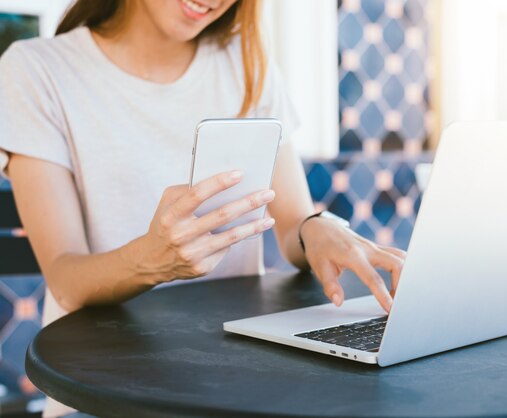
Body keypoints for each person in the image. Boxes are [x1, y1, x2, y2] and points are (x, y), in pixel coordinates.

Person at [0, 0, 405, 416]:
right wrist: (151, 261)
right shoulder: (36, 71)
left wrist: (317, 228)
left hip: (231, 380)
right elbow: (66, 277)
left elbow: (291, 228)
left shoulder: (246, 61)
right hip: (97, 392)